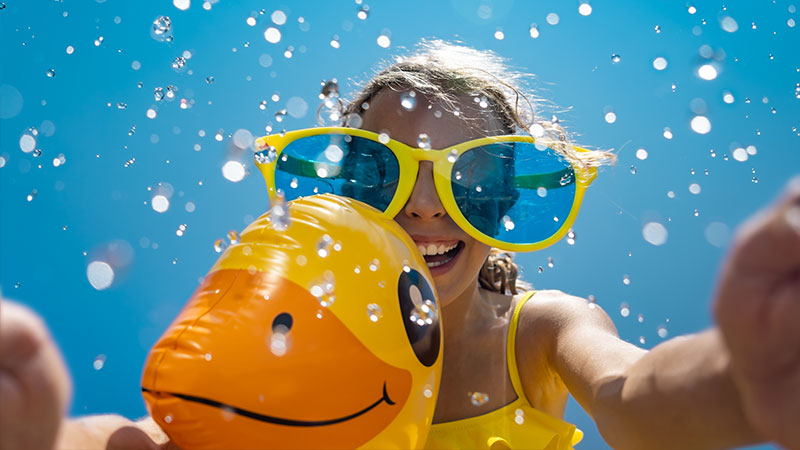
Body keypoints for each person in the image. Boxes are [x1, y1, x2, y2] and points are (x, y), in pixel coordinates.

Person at [2, 40, 799, 450]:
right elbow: (153, 437)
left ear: (510, 204)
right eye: (378, 176)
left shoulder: (534, 333)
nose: (423, 207)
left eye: (477, 180)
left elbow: (634, 395)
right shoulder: (305, 331)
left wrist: (737, 381)